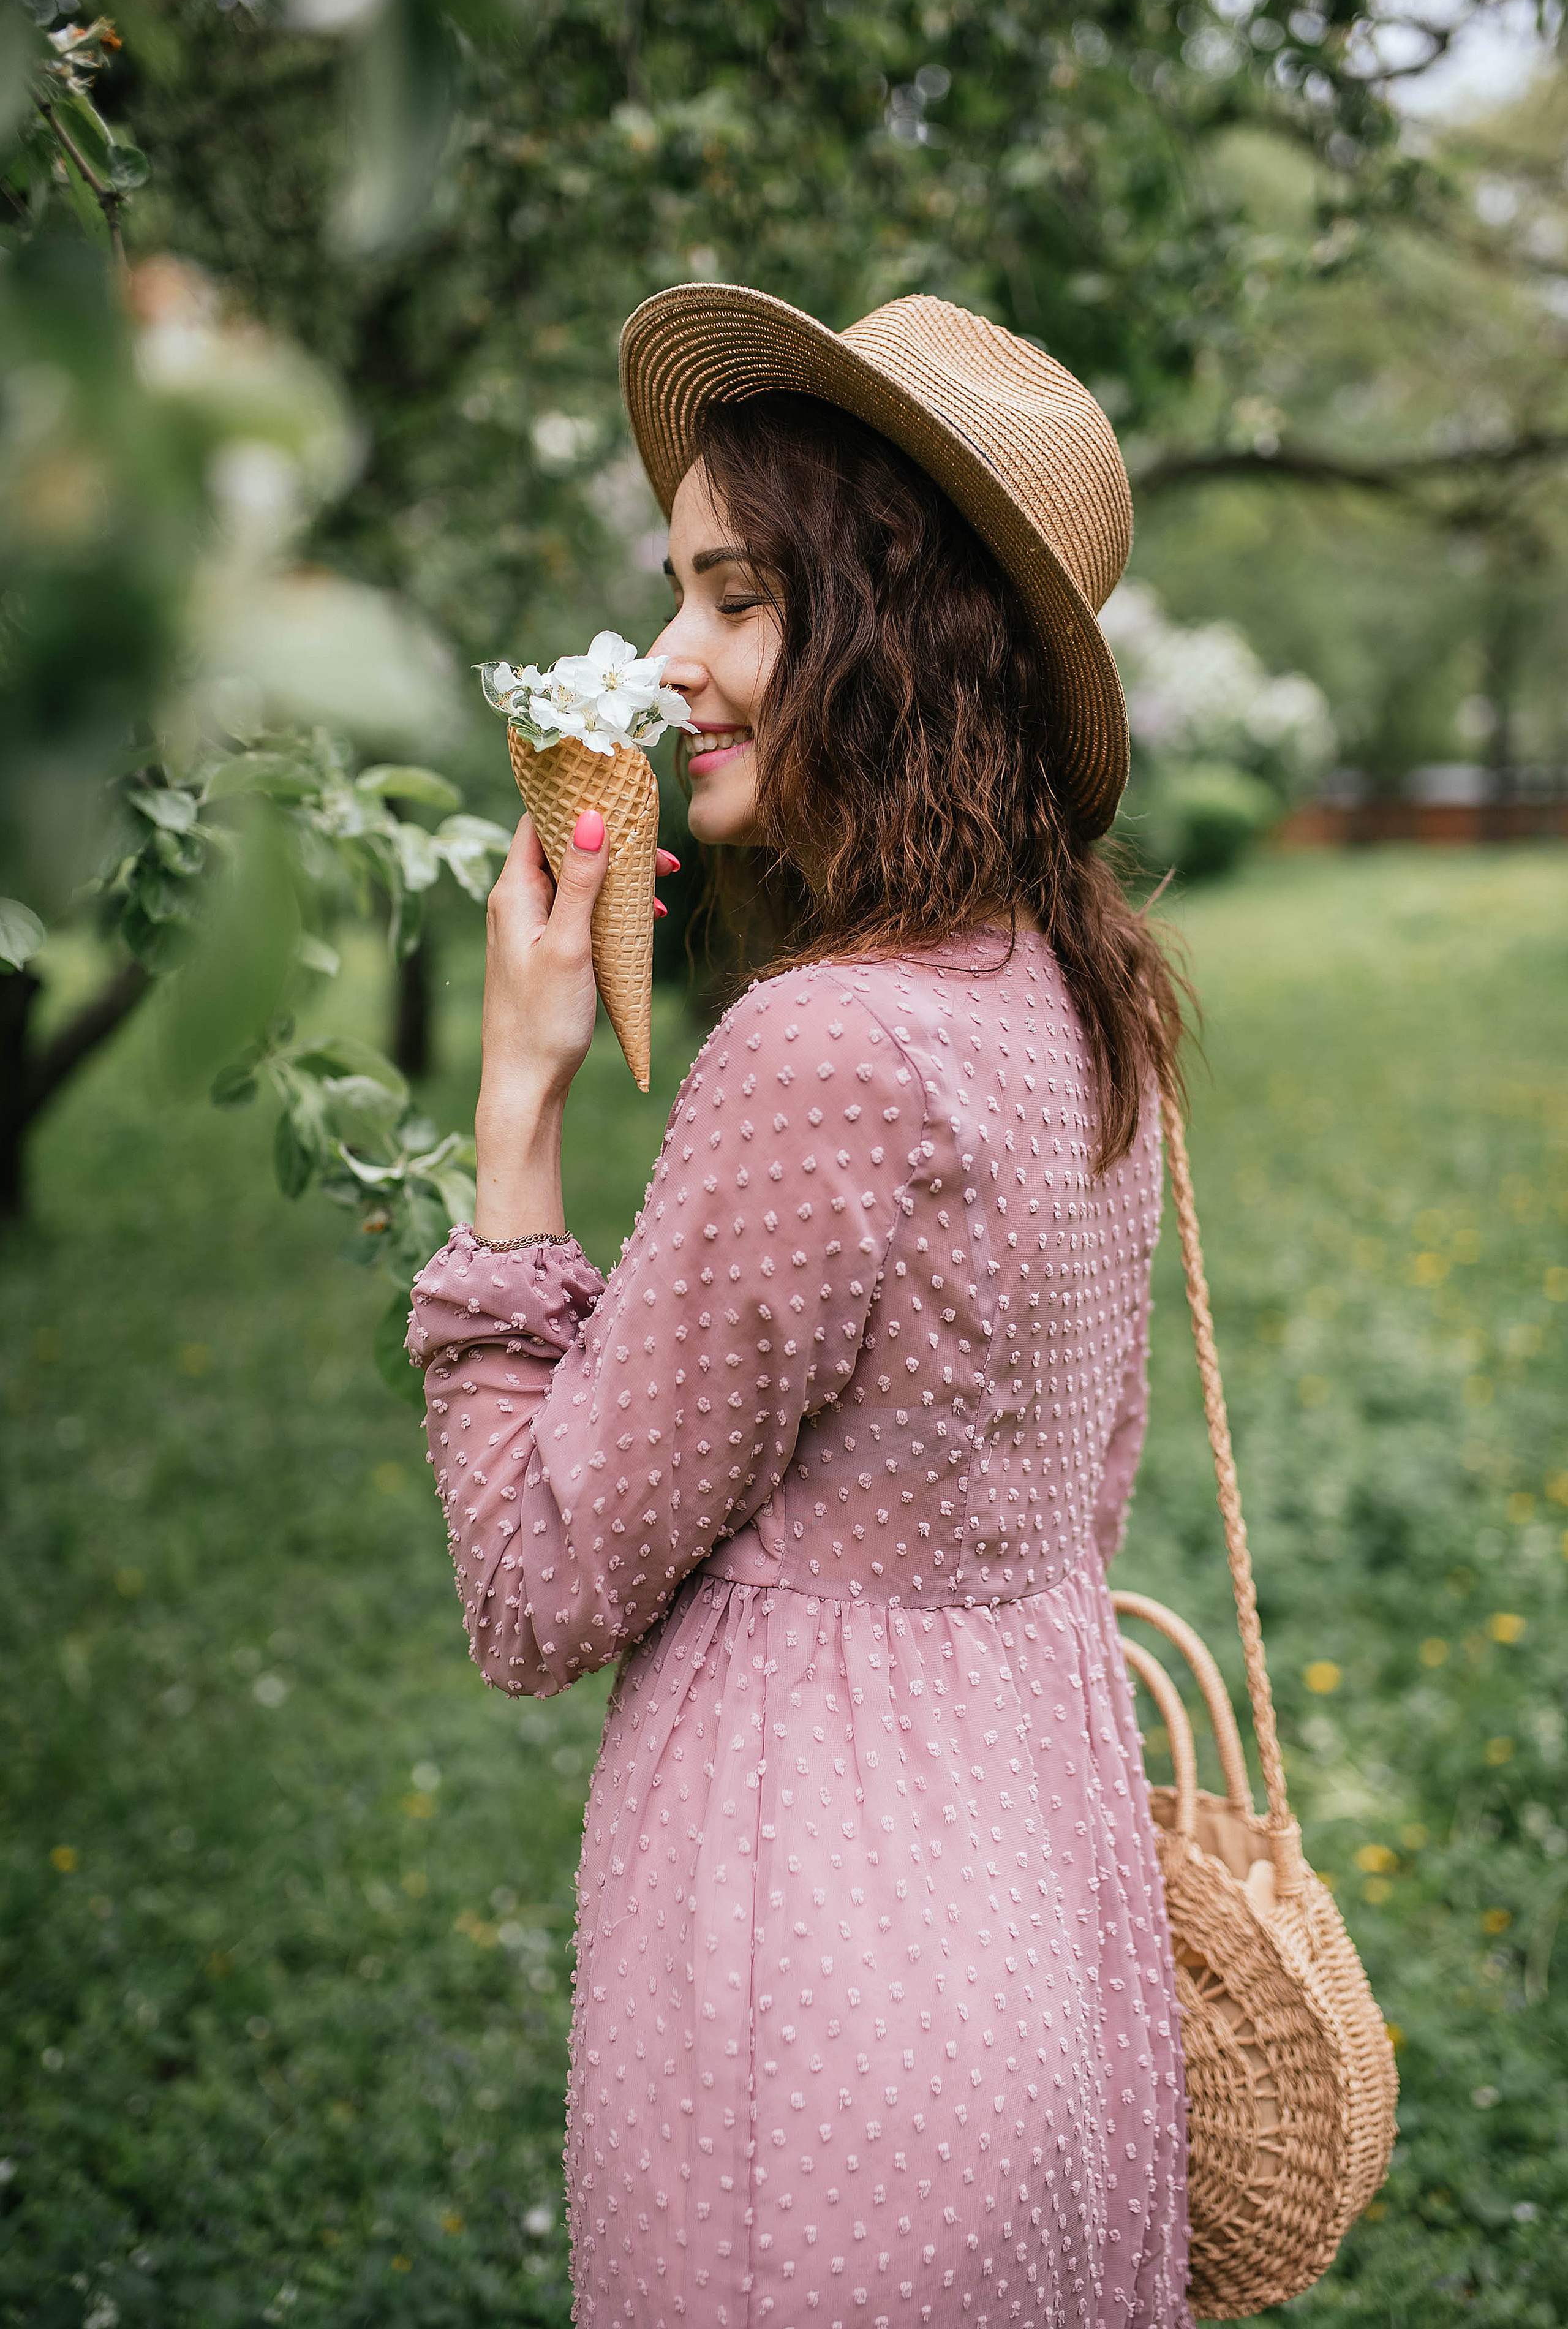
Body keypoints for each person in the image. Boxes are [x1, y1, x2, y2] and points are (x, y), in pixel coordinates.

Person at [406, 286, 1193, 2328]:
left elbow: (535, 1585)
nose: (670, 661)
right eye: (679, 594)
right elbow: (1065, 1498)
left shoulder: (828, 1048)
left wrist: (517, 1109)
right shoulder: (1079, 1004)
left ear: (897, 628)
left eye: (736, 600)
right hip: (1044, 1953)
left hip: (816, 2013)